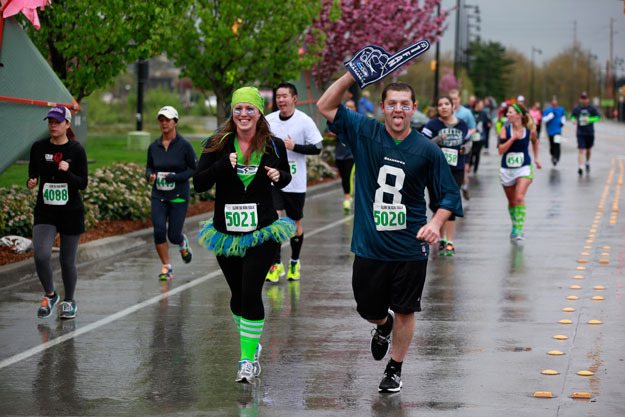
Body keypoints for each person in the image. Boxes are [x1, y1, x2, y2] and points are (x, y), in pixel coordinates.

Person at [317, 73, 463, 393]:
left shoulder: (427, 150)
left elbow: (450, 195)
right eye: (392, 104)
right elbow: (325, 105)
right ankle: (383, 326)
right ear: (382, 107)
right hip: (370, 244)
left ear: (413, 109)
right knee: (368, 308)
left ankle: (395, 368)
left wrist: (435, 223)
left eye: (405, 105)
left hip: (410, 245)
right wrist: (352, 75)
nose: (398, 110)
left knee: (407, 309)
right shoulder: (364, 131)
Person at [193, 86, 294, 383]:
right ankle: (252, 343)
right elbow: (198, 183)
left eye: (250, 108)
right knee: (237, 296)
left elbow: (286, 177)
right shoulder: (217, 144)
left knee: (251, 292)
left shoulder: (274, 145)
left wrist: (279, 176)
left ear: (259, 112)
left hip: (261, 231)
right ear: (232, 113)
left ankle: (246, 360)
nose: (243, 114)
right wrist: (223, 167)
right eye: (238, 109)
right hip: (226, 232)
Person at [28, 105, 88, 320]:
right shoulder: (38, 147)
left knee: (66, 260)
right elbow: (33, 171)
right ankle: (50, 295)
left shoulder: (76, 150)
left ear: (67, 124)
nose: (53, 125)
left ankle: (69, 301)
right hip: (46, 211)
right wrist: (32, 180)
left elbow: (83, 184)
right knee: (41, 254)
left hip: (71, 211)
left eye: (57, 121)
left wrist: (68, 172)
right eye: (50, 121)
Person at [265, 82, 323, 282]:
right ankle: (276, 264)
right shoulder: (269, 120)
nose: (281, 99)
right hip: (274, 179)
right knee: (274, 220)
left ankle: (295, 262)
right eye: (278, 96)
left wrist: (294, 146)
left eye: (284, 96)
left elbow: (318, 147)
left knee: (295, 222)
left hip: (296, 183)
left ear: (294, 99)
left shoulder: (304, 121)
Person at [146, 106, 197, 280]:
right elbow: (149, 166)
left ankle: (182, 243)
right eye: (161, 120)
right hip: (158, 195)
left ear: (175, 122)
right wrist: (149, 175)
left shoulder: (184, 146)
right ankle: (166, 267)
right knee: (159, 230)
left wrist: (175, 177)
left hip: (178, 196)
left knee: (173, 235)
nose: (164, 123)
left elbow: (194, 169)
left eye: (167, 120)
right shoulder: (154, 146)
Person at [422, 96, 470, 256]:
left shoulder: (462, 125)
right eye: (440, 105)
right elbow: (422, 144)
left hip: (456, 170)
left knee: (449, 205)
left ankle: (449, 241)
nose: (443, 107)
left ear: (453, 106)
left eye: (446, 104)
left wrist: (465, 149)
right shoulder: (432, 124)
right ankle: (440, 238)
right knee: (437, 205)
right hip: (435, 170)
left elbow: (469, 142)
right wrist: (437, 139)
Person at [498, 103, 542, 240]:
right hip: (507, 169)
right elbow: (500, 150)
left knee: (519, 197)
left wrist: (536, 158)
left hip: (524, 167)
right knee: (511, 201)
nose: (507, 115)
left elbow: (535, 142)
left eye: (510, 112)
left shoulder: (530, 130)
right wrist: (513, 139)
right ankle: (515, 225)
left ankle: (519, 229)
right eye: (507, 113)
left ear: (519, 115)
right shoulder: (505, 130)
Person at [449, 89, 475, 200]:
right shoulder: (446, 111)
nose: (454, 101)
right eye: (451, 99)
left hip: (464, 145)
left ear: (459, 99)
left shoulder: (466, 113)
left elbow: (473, 128)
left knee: (464, 168)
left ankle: (464, 186)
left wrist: (464, 135)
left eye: (455, 98)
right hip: (449, 146)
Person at [335, 98, 357, 212]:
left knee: (349, 176)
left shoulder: (358, 122)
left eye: (351, 106)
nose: (349, 108)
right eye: (347, 106)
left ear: (355, 109)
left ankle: (348, 198)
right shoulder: (339, 121)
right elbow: (329, 132)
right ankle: (347, 195)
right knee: (344, 178)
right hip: (339, 155)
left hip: (351, 155)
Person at [571, 92, 601, 176]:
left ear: (588, 99)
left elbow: (598, 117)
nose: (584, 100)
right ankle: (580, 167)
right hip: (580, 132)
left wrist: (590, 119)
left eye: (585, 98)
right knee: (581, 149)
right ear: (580, 99)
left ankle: (587, 162)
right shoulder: (577, 109)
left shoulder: (592, 108)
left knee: (588, 150)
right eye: (582, 98)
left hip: (589, 132)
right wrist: (573, 120)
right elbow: (572, 116)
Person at [468, 98, 492, 175]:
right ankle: (470, 164)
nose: (482, 106)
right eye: (481, 104)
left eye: (482, 104)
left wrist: (489, 124)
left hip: (480, 137)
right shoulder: (470, 112)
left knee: (477, 152)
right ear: (476, 104)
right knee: (471, 152)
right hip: (471, 136)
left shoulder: (484, 113)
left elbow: (488, 122)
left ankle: (475, 169)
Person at [542, 97, 566, 166]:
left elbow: (563, 117)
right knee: (552, 146)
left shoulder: (560, 109)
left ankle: (556, 158)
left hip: (558, 131)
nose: (555, 104)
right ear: (551, 103)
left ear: (557, 103)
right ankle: (553, 155)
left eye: (556, 102)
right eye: (553, 103)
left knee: (557, 144)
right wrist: (550, 116)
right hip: (550, 131)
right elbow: (543, 120)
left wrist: (562, 123)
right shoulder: (547, 110)